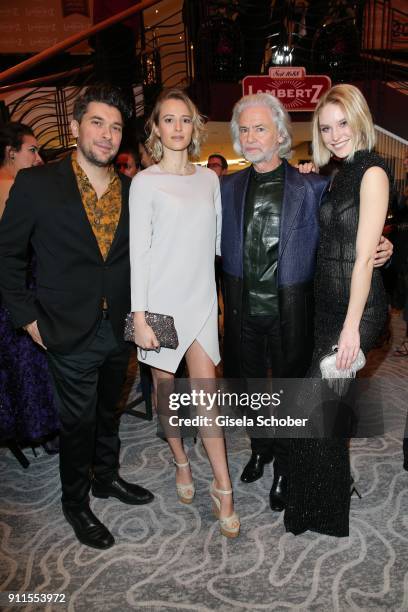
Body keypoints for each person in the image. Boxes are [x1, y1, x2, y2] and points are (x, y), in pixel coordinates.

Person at [220, 92, 393, 514]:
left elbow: (353, 234)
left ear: (280, 133)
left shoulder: (313, 184)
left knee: (294, 392)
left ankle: (283, 462)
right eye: (244, 129)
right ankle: (260, 448)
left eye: (261, 128)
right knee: (246, 388)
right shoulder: (225, 187)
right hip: (242, 308)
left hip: (296, 309)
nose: (252, 136)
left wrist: (385, 247)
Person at [0, 85, 154, 550]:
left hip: (120, 327)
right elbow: (7, 256)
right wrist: (28, 319)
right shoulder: (36, 184)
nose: (106, 135)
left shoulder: (135, 190)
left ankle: (106, 477)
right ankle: (76, 502)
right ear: (75, 127)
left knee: (109, 412)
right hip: (63, 328)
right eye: (97, 123)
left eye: (114, 126)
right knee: (77, 421)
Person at [129, 88, 239, 538]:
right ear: (155, 127)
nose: (177, 127)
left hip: (198, 300)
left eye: (185, 119)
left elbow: (215, 246)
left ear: (195, 127)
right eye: (168, 119)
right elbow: (140, 254)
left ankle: (224, 486)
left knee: (206, 395)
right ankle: (179, 459)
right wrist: (138, 315)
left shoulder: (209, 180)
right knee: (166, 389)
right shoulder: (145, 182)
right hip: (158, 303)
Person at [284, 84, 391, 536]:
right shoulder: (336, 175)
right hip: (326, 306)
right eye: (326, 128)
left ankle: (325, 511)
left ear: (360, 120)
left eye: (342, 123)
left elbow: (364, 256)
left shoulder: (371, 173)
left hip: (356, 312)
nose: (335, 133)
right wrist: (308, 175)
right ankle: (320, 499)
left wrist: (351, 330)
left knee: (315, 409)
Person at [0, 122, 59, 455]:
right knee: (33, 360)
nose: (38, 157)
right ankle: (46, 430)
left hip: (9, 287)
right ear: (11, 153)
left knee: (16, 364)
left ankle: (27, 431)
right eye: (32, 150)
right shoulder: (12, 188)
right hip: (24, 286)